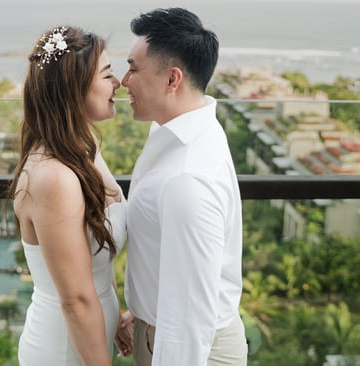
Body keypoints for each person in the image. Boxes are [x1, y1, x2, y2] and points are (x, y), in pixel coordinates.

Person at [121, 8, 248, 366]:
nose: (123, 81)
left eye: (133, 69)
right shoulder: (181, 129)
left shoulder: (187, 179)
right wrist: (145, 307)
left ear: (172, 79)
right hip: (159, 329)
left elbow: (190, 319)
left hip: (191, 349)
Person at [7, 25, 132, 365]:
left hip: (88, 339)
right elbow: (75, 299)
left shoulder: (83, 147)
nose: (118, 82)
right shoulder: (54, 178)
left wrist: (113, 314)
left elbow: (96, 253)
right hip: (63, 350)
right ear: (74, 88)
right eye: (106, 74)